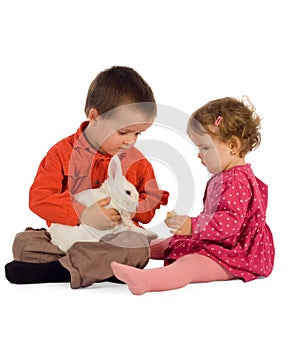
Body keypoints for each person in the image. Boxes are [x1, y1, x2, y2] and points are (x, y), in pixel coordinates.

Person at [5, 66, 169, 288]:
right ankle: (98, 268)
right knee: (23, 242)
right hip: (70, 239)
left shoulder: (136, 161)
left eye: (137, 133)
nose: (131, 141)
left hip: (113, 239)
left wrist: (129, 206)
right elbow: (39, 199)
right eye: (123, 132)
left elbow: (147, 208)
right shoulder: (61, 153)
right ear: (95, 116)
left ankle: (60, 270)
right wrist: (84, 214)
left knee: (139, 248)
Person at [111, 96, 275, 295]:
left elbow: (229, 222)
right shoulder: (227, 177)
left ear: (232, 145)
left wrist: (193, 225)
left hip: (238, 253)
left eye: (205, 148)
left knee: (189, 264)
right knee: (172, 242)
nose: (199, 155)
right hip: (222, 242)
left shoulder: (236, 180)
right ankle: (130, 249)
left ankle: (146, 281)